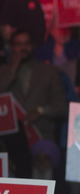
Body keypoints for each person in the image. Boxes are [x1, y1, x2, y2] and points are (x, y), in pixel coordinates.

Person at [0, 30, 67, 166]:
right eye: (18, 44)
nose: (23, 48)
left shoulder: (50, 71)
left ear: (33, 46)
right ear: (11, 47)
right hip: (9, 144)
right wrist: (12, 69)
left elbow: (62, 106)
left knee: (42, 185)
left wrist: (42, 111)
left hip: (42, 141)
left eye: (27, 44)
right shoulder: (3, 72)